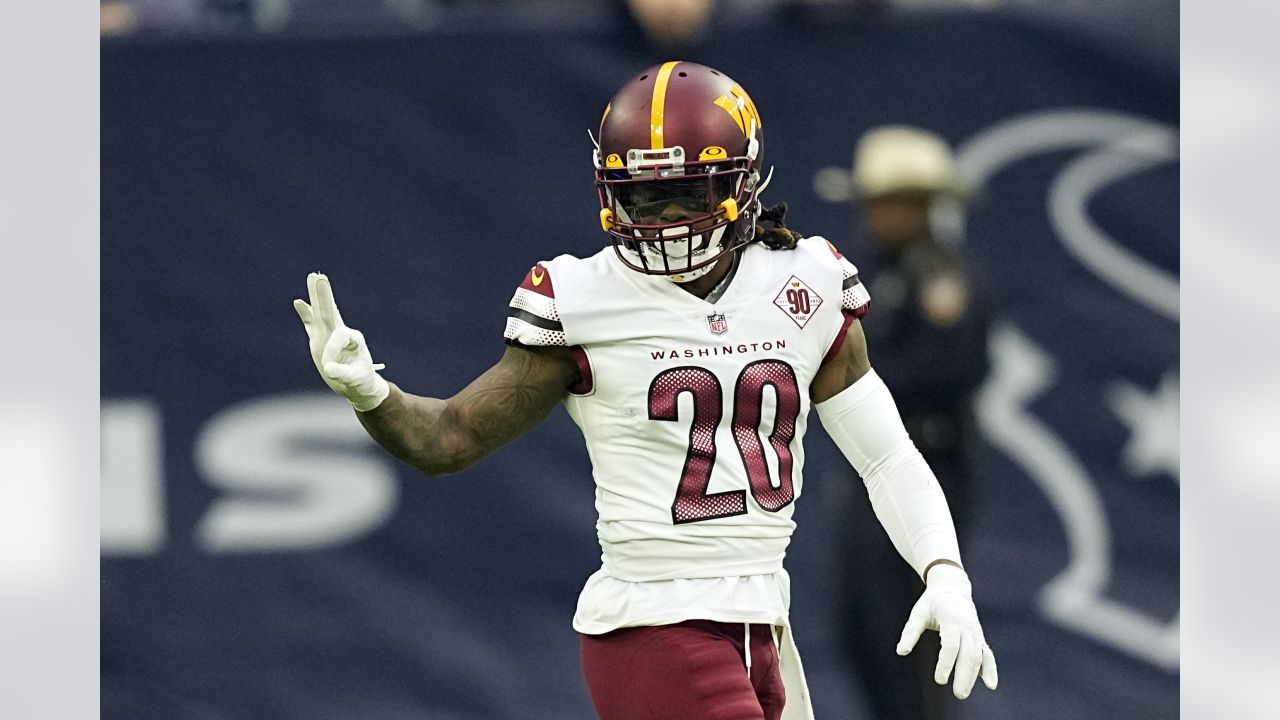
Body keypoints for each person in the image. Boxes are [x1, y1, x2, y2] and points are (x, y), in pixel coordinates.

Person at [293, 62, 997, 720]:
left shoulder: (803, 281)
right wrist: (369, 394)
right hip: (653, 623)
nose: (662, 218)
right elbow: (448, 438)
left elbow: (887, 457)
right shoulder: (583, 298)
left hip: (761, 621)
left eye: (686, 191)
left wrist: (945, 570)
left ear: (741, 185)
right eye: (644, 195)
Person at [830, 125, 994, 720]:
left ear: (921, 206)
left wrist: (851, 384)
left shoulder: (941, 277)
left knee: (918, 627)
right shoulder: (879, 273)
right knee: (862, 624)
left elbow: (952, 368)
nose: (873, 214)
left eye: (888, 201)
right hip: (867, 467)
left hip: (928, 461)